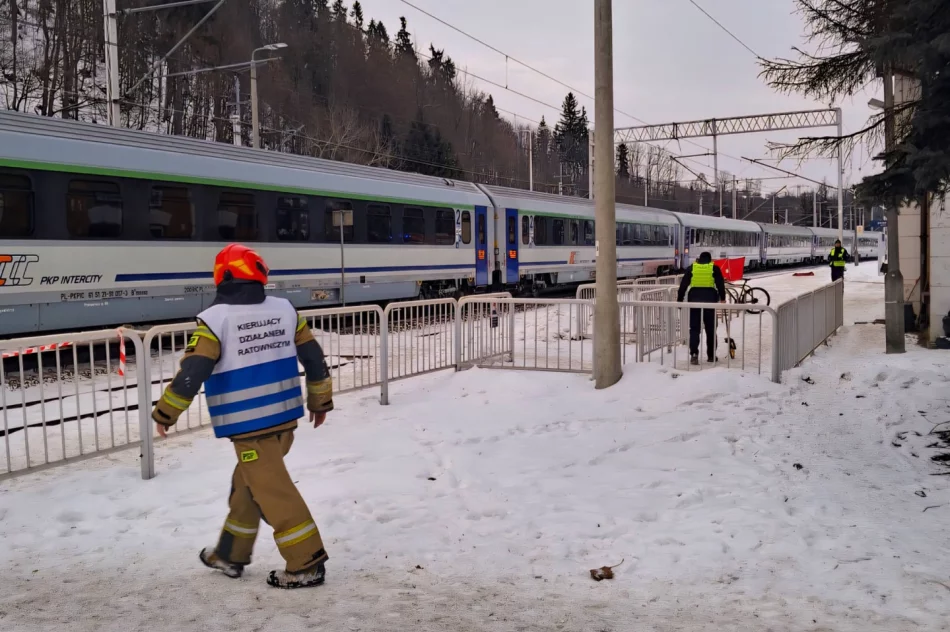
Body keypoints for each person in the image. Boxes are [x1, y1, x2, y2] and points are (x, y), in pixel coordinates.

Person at [151, 243, 334, 590]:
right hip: (284, 420)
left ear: (222, 276)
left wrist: (166, 412)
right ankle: (230, 554)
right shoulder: (285, 310)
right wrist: (320, 401)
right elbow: (313, 357)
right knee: (247, 487)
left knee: (274, 492)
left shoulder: (215, 320)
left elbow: (194, 370)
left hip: (250, 426)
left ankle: (306, 562)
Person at [676, 251, 727, 365]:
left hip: (694, 302)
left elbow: (683, 285)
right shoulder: (714, 268)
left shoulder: (692, 268)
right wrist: (723, 298)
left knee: (694, 329)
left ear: (699, 259)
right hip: (710, 302)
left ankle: (694, 354)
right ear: (710, 259)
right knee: (711, 329)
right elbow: (720, 284)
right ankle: (711, 355)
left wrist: (679, 300)